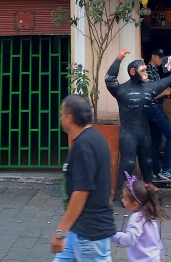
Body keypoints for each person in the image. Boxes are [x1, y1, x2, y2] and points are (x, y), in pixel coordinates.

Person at [52, 95, 115, 262]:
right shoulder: (95, 138)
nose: (60, 118)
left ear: (69, 118)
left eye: (61, 114)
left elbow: (82, 190)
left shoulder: (84, 145)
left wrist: (61, 232)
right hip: (79, 229)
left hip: (89, 234)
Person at [105, 49, 171, 188]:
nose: (146, 74)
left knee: (147, 162)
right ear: (133, 72)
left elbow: (163, 83)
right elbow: (109, 79)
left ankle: (149, 189)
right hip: (128, 134)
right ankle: (125, 192)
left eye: (146, 70)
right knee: (129, 163)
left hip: (144, 134)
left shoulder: (148, 88)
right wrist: (119, 58)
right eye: (142, 71)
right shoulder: (122, 90)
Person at [112, 173, 167, 262]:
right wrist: (162, 256)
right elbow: (157, 241)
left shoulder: (136, 218)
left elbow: (130, 239)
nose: (122, 200)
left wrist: (111, 234)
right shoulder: (150, 216)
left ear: (135, 204)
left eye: (125, 199)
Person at [146, 49, 171, 183]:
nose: (161, 59)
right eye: (158, 56)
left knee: (155, 141)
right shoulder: (148, 71)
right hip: (154, 108)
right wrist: (164, 93)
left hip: (153, 109)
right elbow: (148, 95)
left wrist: (165, 90)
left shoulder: (154, 71)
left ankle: (155, 172)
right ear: (152, 56)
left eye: (162, 57)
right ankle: (165, 169)